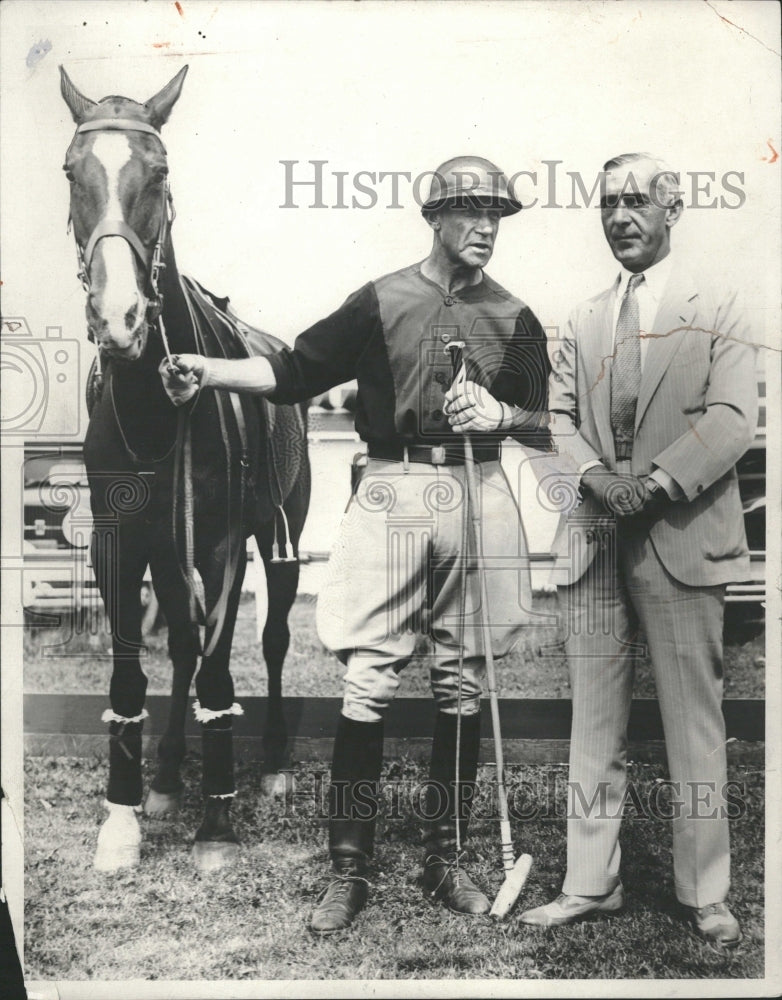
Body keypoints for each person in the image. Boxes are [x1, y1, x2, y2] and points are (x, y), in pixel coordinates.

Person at [161, 156, 551, 932]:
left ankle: (447, 857)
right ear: (433, 218)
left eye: (496, 213)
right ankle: (350, 869)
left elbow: (542, 418)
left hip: (479, 490)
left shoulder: (516, 316)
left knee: (463, 681)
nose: (485, 227)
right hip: (393, 488)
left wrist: (501, 417)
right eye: (469, 210)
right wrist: (207, 370)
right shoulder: (381, 299)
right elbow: (293, 370)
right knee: (369, 677)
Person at [520, 153, 757, 948]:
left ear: (672, 208)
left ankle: (705, 891)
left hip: (682, 539)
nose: (620, 216)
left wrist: (651, 484)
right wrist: (594, 477)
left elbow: (731, 421)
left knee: (695, 724)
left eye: (636, 202)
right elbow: (553, 421)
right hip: (594, 541)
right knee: (594, 726)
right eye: (608, 203)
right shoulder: (582, 318)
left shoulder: (719, 304)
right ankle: (590, 885)